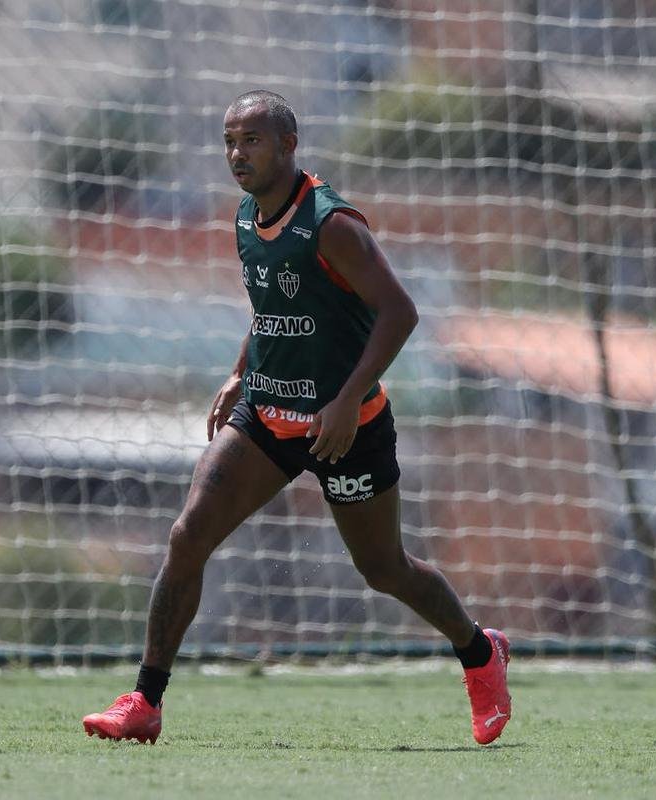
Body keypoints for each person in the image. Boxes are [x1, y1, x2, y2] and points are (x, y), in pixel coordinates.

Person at [82, 90, 511, 746]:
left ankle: (480, 654)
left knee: (384, 569)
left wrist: (346, 401)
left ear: (288, 144)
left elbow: (400, 313)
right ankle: (145, 700)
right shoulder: (247, 219)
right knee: (186, 536)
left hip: (347, 427)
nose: (236, 154)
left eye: (251, 140)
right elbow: (269, 315)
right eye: (229, 141)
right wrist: (236, 373)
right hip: (266, 416)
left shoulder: (332, 224)